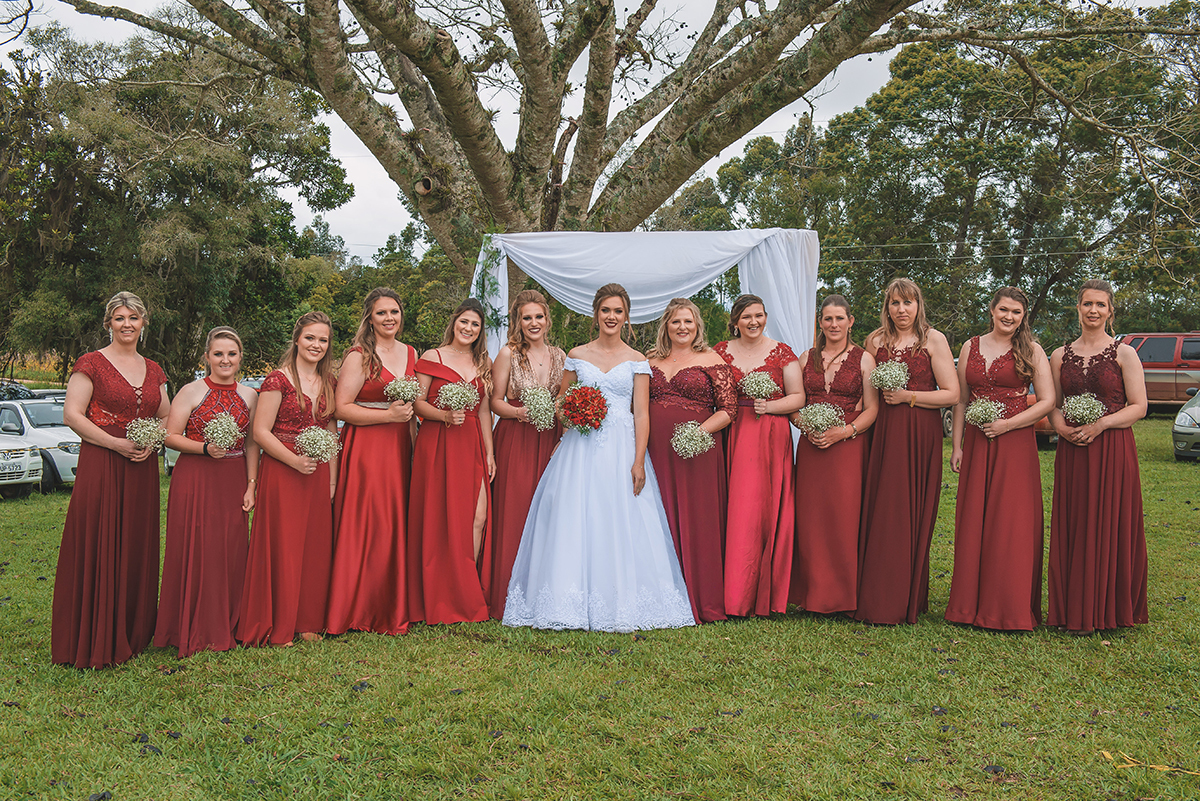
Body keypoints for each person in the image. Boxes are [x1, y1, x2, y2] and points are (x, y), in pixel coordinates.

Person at [503, 284, 695, 632]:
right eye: (605, 310)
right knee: (574, 518)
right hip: (580, 446)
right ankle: (567, 601)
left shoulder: (637, 359)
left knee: (620, 517)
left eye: (618, 311)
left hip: (622, 447)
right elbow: (562, 401)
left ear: (626, 317)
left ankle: (621, 601)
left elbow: (641, 414)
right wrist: (573, 413)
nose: (611, 317)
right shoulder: (577, 354)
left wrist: (638, 462)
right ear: (596, 314)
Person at [52, 291, 169, 669]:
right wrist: (115, 444)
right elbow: (73, 414)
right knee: (101, 538)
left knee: (135, 541)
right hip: (102, 462)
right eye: (119, 318)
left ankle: (132, 633)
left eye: (133, 318)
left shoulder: (154, 369)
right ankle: (94, 635)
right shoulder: (91, 363)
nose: (127, 324)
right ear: (109, 323)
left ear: (144, 323)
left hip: (141, 468)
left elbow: (169, 416)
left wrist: (151, 442)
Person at [945, 288, 1054, 631]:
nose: (1009, 317)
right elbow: (961, 400)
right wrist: (957, 446)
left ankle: (1008, 607)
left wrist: (1009, 423)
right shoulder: (970, 346)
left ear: (1024, 316)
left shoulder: (1032, 350)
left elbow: (1047, 401)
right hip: (977, 443)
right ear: (991, 310)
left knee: (1011, 523)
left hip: (1015, 443)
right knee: (974, 517)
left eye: (1016, 312)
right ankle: (968, 606)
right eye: (1003, 310)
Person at [854, 278, 959, 625]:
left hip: (918, 434)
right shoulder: (875, 340)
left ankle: (905, 596)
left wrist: (908, 397)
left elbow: (951, 394)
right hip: (881, 432)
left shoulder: (933, 340)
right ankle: (876, 592)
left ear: (918, 305)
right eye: (895, 303)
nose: (902, 310)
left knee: (908, 509)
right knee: (880, 507)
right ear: (887, 306)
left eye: (908, 303)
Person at [1047, 279, 1148, 634]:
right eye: (1087, 304)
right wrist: (1060, 427)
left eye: (1100, 305)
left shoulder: (1124, 353)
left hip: (1112, 449)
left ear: (1110, 311)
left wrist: (1101, 425)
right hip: (1073, 448)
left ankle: (1109, 607)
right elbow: (1054, 404)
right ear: (1077, 308)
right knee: (1075, 521)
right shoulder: (1059, 355)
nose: (1093, 310)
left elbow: (1140, 406)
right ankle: (1071, 607)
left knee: (1111, 520)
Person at [155, 327, 260, 658]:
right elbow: (170, 436)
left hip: (233, 478)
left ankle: (229, 624)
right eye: (218, 354)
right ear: (207, 358)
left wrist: (251, 484)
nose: (225, 360)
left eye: (231, 354)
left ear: (240, 357)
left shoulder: (250, 395)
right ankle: (189, 626)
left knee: (230, 549)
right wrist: (204, 448)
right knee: (197, 548)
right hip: (196, 477)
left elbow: (253, 442)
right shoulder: (191, 390)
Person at [238, 311, 338, 646]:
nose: (316, 345)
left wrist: (332, 480)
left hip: (317, 472)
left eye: (323, 340)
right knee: (284, 545)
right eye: (310, 338)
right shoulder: (277, 380)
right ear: (297, 339)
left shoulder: (329, 382)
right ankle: (278, 621)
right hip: (284, 469)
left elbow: (330, 429)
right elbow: (260, 431)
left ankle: (307, 620)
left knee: (313, 546)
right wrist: (294, 460)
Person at [326, 288, 418, 636]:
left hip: (399, 447)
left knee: (394, 522)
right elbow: (341, 408)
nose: (389, 318)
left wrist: (413, 442)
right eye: (382, 313)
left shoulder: (411, 353)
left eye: (394, 311)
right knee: (368, 523)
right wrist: (388, 416)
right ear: (370, 318)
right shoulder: (359, 356)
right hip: (367, 445)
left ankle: (389, 604)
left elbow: (410, 408)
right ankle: (357, 607)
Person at [647, 297, 737, 623]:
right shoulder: (649, 359)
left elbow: (729, 410)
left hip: (696, 451)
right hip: (654, 451)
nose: (682, 327)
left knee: (697, 518)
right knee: (657, 516)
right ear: (666, 326)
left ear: (697, 325)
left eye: (688, 322)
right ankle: (659, 596)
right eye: (675, 322)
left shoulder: (711, 359)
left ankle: (701, 598)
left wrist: (699, 433)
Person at [715, 294, 804, 617]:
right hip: (734, 433)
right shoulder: (720, 352)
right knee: (736, 508)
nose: (754, 322)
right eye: (746, 317)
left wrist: (771, 406)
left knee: (764, 509)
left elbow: (798, 397)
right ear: (735, 321)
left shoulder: (782, 353)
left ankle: (765, 593)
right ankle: (733, 593)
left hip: (770, 436)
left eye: (759, 315)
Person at [408, 299, 495, 624]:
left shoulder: (482, 361)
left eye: (475, 324)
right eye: (464, 322)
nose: (468, 328)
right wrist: (443, 415)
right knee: (439, 516)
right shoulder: (433, 356)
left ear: (480, 330)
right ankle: (440, 593)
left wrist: (489, 452)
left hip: (471, 441)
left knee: (477, 515)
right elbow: (417, 403)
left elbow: (484, 409)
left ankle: (463, 589)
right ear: (454, 321)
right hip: (439, 441)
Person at [791, 295, 878, 615]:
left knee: (843, 518)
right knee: (810, 518)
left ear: (851, 322)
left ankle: (843, 597)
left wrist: (844, 432)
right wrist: (805, 425)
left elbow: (872, 410)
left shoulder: (865, 359)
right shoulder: (805, 358)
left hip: (848, 448)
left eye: (840, 318)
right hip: (812, 446)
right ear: (820, 322)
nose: (834, 325)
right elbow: (794, 403)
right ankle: (812, 595)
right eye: (828, 319)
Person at [483, 290, 565, 619]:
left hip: (551, 439)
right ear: (519, 321)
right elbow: (495, 402)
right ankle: (507, 595)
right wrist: (521, 414)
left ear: (547, 320)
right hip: (516, 437)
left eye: (539, 317)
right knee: (515, 510)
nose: (533, 323)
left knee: (549, 512)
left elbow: (564, 397)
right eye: (526, 317)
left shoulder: (561, 356)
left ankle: (543, 595)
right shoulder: (508, 354)